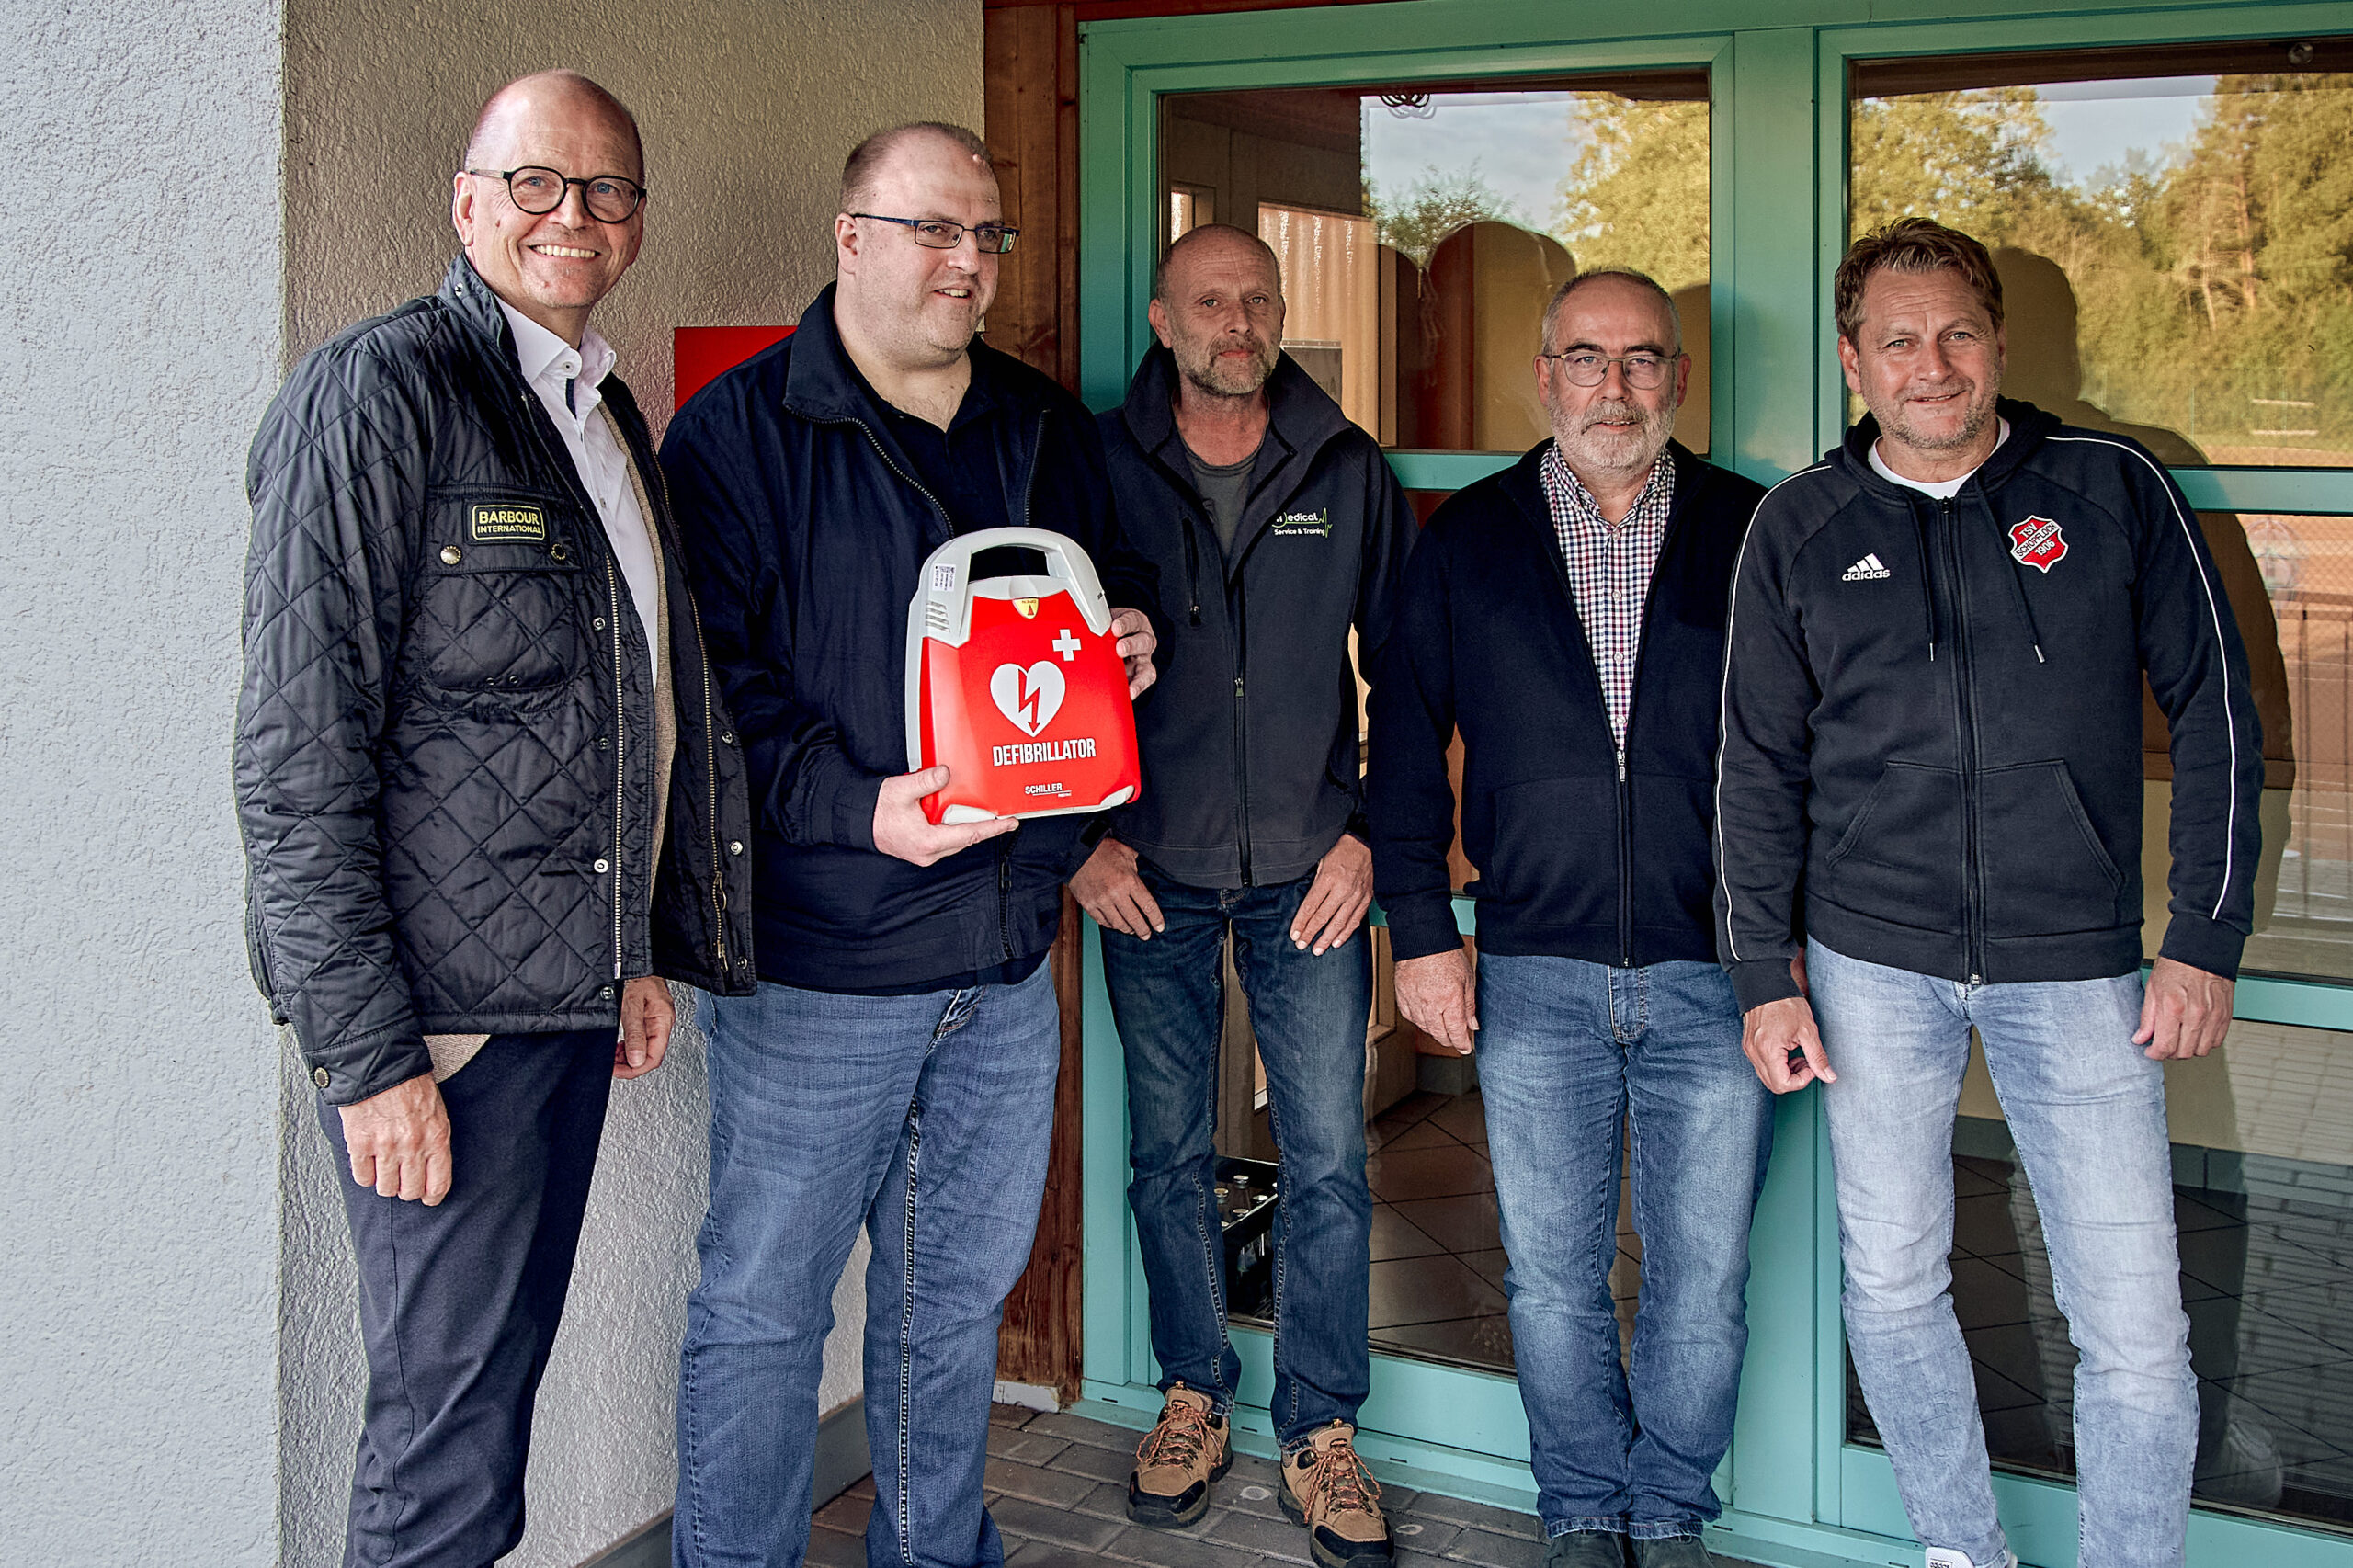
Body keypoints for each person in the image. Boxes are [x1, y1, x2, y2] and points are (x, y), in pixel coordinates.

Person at [235, 70, 754, 1568]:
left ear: (638, 223)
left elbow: (619, 709)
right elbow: (293, 753)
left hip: (562, 1005)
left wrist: (637, 945)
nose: (571, 215)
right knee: (444, 1440)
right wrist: (368, 1050)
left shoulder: (601, 413)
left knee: (490, 1406)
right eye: (535, 183)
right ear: (468, 206)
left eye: (606, 190)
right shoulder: (379, 392)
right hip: (443, 1031)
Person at [1715, 217, 2263, 1568]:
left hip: (2076, 970)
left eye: (1957, 330)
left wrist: (2203, 933)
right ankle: (1961, 1548)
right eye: (1897, 339)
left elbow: (2217, 712)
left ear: (2000, 342)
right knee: (1894, 1282)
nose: (1932, 362)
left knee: (2133, 1318)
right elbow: (1752, 761)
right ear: (1856, 359)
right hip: (1868, 966)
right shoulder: (1801, 525)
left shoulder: (2109, 485)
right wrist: (1760, 973)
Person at [659, 122, 1159, 1568]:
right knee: (763, 1305)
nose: (967, 264)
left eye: (988, 237)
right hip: (826, 965)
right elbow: (711, 688)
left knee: (949, 1309)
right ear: (851, 236)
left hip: (1003, 960)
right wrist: (858, 803)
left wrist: (1133, 638)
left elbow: (1107, 595)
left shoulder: (1040, 422)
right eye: (935, 230)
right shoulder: (737, 435)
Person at [1368, 269, 1770, 1568]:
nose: (1615, 385)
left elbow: (1813, 752)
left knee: (1701, 1284)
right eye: (1587, 358)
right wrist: (1422, 927)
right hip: (1532, 966)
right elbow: (1403, 748)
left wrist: (1792, 943)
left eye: (1643, 359)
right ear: (1545, 378)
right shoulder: (1468, 538)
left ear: (1678, 380)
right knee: (1550, 1277)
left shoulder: (1754, 529)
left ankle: (1670, 1510)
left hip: (1717, 970)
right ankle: (1584, 1507)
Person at [1076, 222, 1412, 1568]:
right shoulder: (1096, 464)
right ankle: (1193, 1394)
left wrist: (1372, 840)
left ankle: (1322, 1430)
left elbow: (1410, 667)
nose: (1237, 320)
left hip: (1307, 872)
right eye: (1211, 300)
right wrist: (1075, 850)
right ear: (1164, 317)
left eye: (1256, 300)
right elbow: (1018, 661)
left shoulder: (1343, 464)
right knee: (1166, 1151)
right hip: (1143, 867)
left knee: (1327, 1157)